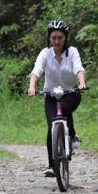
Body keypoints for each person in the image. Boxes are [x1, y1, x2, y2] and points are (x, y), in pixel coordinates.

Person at [27, 19, 87, 177]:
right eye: (53, 38)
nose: (57, 41)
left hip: (70, 93)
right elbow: (36, 71)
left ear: (65, 38)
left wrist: (81, 82)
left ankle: (72, 134)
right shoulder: (45, 53)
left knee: (66, 108)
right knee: (51, 126)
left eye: (60, 37)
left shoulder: (72, 51)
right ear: (49, 38)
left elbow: (78, 68)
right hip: (51, 95)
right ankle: (52, 166)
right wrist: (32, 86)